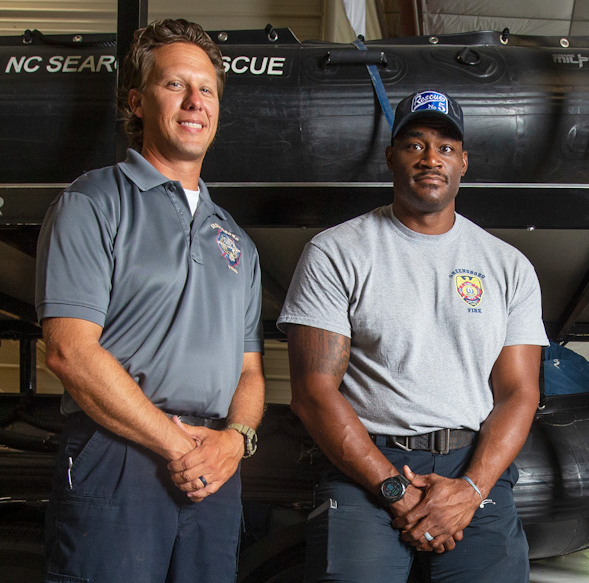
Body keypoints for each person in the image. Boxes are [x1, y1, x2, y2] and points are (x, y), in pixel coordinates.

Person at [277, 89, 548, 582]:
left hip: (474, 467)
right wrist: (393, 491)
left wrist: (469, 488)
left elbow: (519, 393)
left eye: (445, 148)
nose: (431, 159)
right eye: (415, 144)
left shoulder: (508, 266)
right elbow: (313, 393)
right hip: (366, 467)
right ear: (391, 158)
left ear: (463, 163)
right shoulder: (336, 252)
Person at [35, 19, 265, 583]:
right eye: (175, 85)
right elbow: (69, 351)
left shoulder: (235, 238)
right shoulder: (92, 203)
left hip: (213, 466)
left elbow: (251, 371)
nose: (195, 102)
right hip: (117, 456)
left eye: (206, 89)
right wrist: (176, 445)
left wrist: (234, 443)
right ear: (137, 101)